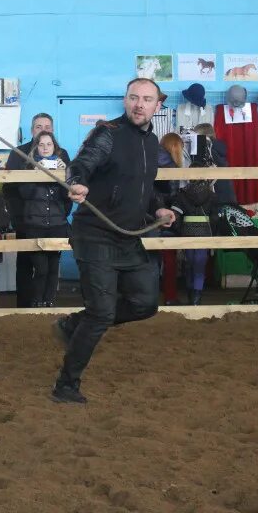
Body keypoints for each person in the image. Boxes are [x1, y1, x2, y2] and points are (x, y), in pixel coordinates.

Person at [51, 78, 176, 404]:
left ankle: (73, 325)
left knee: (145, 304)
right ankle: (66, 385)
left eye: (147, 99)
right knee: (102, 313)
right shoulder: (108, 133)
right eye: (134, 97)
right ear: (125, 100)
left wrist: (158, 208)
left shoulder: (152, 143)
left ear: (157, 105)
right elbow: (81, 164)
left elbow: (144, 190)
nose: (139, 104)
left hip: (127, 238)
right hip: (94, 234)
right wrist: (76, 183)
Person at [5, 113, 69, 307]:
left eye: (47, 126)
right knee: (25, 264)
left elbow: (69, 189)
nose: (44, 130)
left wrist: (64, 213)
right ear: (33, 130)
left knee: (50, 266)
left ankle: (47, 301)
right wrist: (18, 218)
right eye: (39, 126)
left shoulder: (62, 154)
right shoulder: (19, 153)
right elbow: (11, 189)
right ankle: (25, 304)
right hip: (26, 219)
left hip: (54, 220)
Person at [169, 165, 219, 306]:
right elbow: (215, 219)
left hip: (187, 232)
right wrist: (213, 235)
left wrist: (179, 231)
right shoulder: (212, 195)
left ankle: (191, 297)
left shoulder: (181, 194)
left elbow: (176, 217)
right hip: (205, 233)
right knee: (199, 267)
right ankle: (196, 301)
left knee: (189, 265)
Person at [157, 133, 184, 306]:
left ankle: (148, 296)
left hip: (146, 216)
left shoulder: (150, 159)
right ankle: (170, 297)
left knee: (149, 259)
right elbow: (173, 195)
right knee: (169, 259)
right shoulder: (171, 166)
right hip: (165, 216)